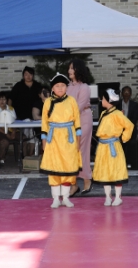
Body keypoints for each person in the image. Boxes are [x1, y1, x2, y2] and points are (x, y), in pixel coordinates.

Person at [40, 73, 82, 209]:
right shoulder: (48, 102)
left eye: (63, 86)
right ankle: (55, 199)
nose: (60, 88)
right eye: (57, 86)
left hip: (68, 138)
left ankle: (66, 197)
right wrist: (44, 140)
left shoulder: (72, 101)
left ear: (66, 87)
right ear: (52, 88)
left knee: (68, 168)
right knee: (54, 169)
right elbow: (44, 123)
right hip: (53, 139)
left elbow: (77, 121)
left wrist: (78, 138)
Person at [92, 89, 134, 207]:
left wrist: (123, 138)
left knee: (116, 171)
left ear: (108, 100)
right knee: (105, 171)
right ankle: (107, 196)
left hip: (113, 146)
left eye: (103, 99)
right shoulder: (103, 113)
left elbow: (129, 125)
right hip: (103, 147)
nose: (101, 101)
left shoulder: (117, 114)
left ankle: (118, 197)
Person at [67, 59, 93, 196]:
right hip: (69, 122)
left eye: (72, 68)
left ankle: (87, 178)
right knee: (71, 152)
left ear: (78, 70)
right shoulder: (67, 86)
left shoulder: (84, 87)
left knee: (82, 150)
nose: (69, 71)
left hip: (83, 119)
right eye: (69, 68)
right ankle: (73, 183)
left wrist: (63, 115)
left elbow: (78, 107)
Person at [114, 86, 138, 169]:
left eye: (128, 92)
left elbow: (134, 118)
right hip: (119, 130)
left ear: (131, 94)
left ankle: (133, 165)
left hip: (130, 130)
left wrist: (126, 126)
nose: (126, 94)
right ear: (122, 94)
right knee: (119, 149)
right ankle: (120, 165)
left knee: (131, 149)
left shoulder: (135, 105)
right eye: (124, 92)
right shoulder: (117, 105)